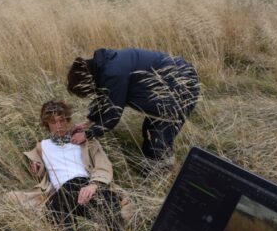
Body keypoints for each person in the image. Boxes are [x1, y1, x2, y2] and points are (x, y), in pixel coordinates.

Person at [18, 100, 125, 231]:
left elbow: (103, 164)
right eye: (53, 122)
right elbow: (38, 169)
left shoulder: (85, 140)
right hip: (62, 191)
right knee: (55, 214)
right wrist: (36, 167)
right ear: (46, 124)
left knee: (111, 206)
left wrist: (93, 185)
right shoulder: (42, 146)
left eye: (62, 120)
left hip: (86, 184)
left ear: (68, 120)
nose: (59, 125)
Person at [66, 48, 200, 169]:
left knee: (158, 138)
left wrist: (87, 134)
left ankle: (166, 172)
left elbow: (113, 113)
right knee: (151, 130)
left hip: (182, 84)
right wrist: (88, 122)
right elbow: (106, 98)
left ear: (88, 82)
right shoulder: (103, 66)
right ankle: (156, 167)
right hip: (172, 80)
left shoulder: (113, 73)